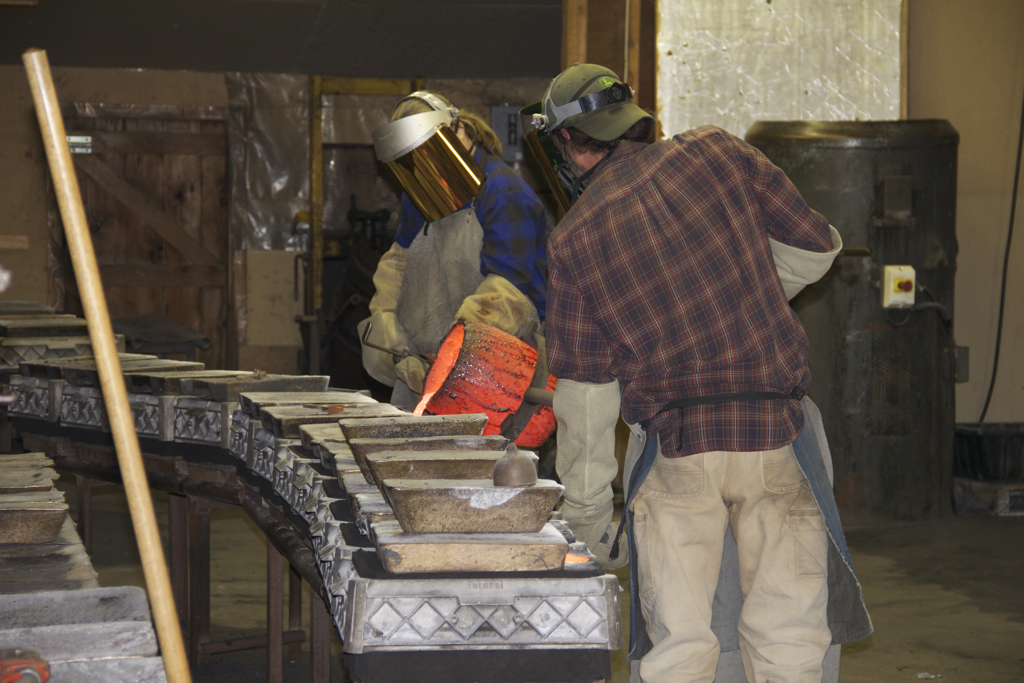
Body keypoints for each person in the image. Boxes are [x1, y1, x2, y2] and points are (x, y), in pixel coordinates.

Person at [530, 64, 872, 682]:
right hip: (773, 429)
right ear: (630, 120)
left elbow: (585, 397)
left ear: (569, 145)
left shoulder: (573, 240)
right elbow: (817, 247)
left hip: (678, 448)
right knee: (790, 635)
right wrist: (749, 295)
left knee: (680, 645)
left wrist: (584, 517)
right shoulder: (718, 151)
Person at [359, 92, 549, 411]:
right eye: (413, 161)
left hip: (498, 374)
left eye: (428, 153)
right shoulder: (422, 190)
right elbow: (398, 263)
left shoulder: (505, 193)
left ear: (458, 130)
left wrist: (450, 359)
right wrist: (389, 332)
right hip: (424, 369)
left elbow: (505, 295)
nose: (425, 167)